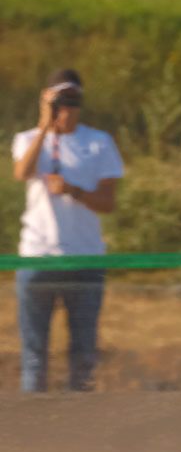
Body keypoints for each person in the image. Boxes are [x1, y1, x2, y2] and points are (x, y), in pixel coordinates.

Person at [10, 69, 122, 391]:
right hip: (37, 257)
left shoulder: (99, 142)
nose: (68, 107)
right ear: (46, 99)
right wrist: (45, 124)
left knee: (84, 352)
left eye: (73, 99)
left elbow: (108, 203)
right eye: (61, 99)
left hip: (85, 257)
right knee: (34, 353)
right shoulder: (28, 139)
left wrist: (73, 190)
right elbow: (22, 173)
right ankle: (35, 417)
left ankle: (79, 416)